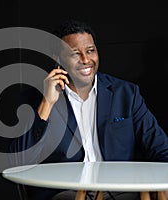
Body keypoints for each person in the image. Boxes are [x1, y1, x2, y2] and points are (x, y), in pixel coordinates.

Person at [10, 19, 168, 200]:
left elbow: (162, 149)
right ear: (57, 58)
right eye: (75, 54)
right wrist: (46, 104)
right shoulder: (35, 99)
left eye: (90, 51)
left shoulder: (125, 94)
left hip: (119, 189)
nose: (86, 60)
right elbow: (18, 163)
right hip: (64, 191)